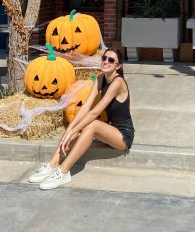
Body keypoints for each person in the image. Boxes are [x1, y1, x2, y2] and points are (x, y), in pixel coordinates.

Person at [28, 47, 134, 190]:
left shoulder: (118, 82)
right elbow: (86, 107)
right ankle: (52, 165)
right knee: (74, 125)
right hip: (109, 129)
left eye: (111, 60)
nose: (106, 62)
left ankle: (63, 171)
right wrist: (71, 128)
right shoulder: (100, 79)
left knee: (92, 125)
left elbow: (94, 113)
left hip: (122, 135)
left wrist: (74, 131)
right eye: (104, 58)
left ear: (118, 66)